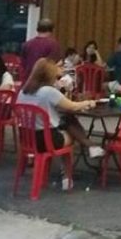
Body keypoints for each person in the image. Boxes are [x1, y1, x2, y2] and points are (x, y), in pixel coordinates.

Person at [16, 58, 102, 191]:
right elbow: (72, 106)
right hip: (47, 140)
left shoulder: (23, 91)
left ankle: (90, 147)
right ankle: (68, 176)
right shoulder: (48, 91)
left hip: (27, 138)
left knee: (66, 121)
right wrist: (88, 103)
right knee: (70, 131)